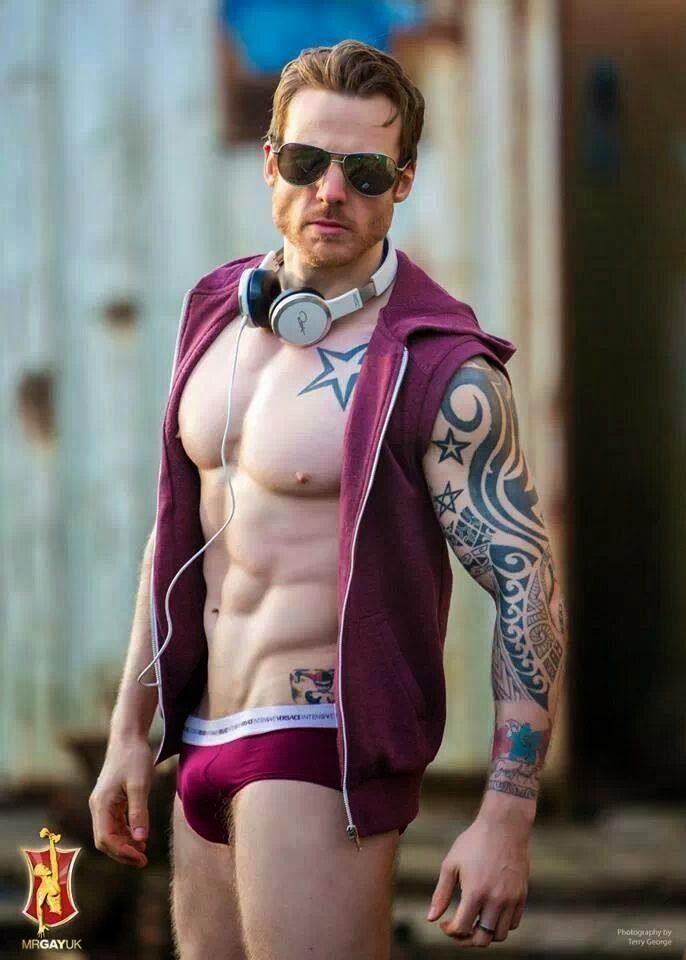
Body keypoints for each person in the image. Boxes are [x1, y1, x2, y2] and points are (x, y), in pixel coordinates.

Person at [89, 39, 567, 958]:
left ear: (404, 181)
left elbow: (526, 585)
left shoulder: (442, 370)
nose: (332, 191)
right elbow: (176, 536)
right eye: (309, 161)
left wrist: (507, 813)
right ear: (271, 161)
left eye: (366, 171)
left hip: (318, 744)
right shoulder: (217, 317)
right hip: (200, 737)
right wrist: (129, 733)